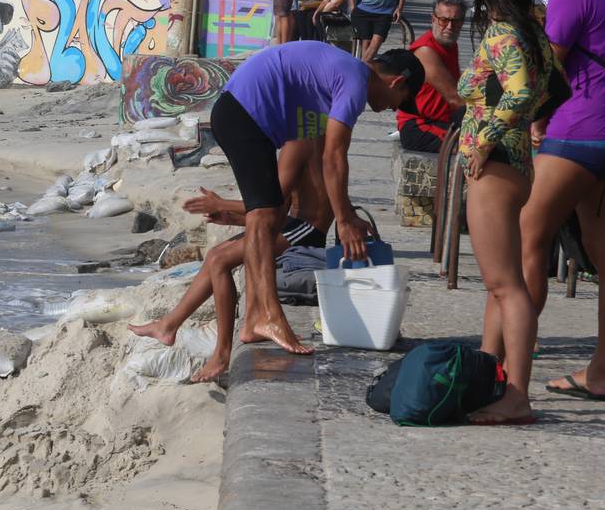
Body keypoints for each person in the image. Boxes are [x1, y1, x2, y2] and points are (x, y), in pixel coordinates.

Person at [132, 42, 424, 363]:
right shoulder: (354, 80)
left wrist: (346, 213)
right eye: (400, 104)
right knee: (265, 216)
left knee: (265, 215)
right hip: (243, 113)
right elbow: (334, 157)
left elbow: (324, 164)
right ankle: (264, 316)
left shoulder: (327, 91)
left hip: (238, 111)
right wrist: (344, 220)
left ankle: (251, 323)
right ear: (397, 82)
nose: (392, 111)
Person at [458, 0, 560, 425]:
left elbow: (519, 92)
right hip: (519, 163)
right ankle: (490, 377)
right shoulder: (534, 33)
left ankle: (517, 394)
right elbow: (546, 90)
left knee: (507, 286)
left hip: (495, 165)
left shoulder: (502, 33)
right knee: (500, 287)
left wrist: (483, 140)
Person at [128, 144, 332, 381]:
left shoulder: (298, 143)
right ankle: (168, 326)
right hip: (290, 222)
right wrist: (232, 217)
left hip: (305, 229)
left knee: (220, 261)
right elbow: (276, 209)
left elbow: (272, 203)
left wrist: (221, 204)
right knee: (215, 254)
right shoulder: (294, 139)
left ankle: (222, 354)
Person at [521, 0, 605, 402]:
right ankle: (601, 372)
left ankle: (510, 369)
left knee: (526, 236)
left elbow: (545, 71)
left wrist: (529, 120)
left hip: (578, 132)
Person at [397, 0, 467, 152]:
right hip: (421, 126)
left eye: (456, 22)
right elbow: (454, 97)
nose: (449, 26)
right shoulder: (425, 50)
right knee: (474, 148)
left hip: (443, 120)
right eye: (444, 20)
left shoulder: (450, 44)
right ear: (433, 19)